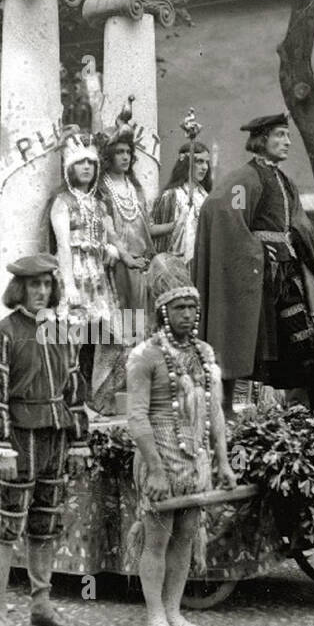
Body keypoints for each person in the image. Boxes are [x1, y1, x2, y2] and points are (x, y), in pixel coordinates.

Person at [0, 254, 90, 626]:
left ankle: (41, 605)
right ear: (19, 289)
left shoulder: (62, 330)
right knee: (7, 526)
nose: (41, 291)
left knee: (46, 523)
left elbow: (75, 390)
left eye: (46, 284)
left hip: (56, 437)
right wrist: (0, 447)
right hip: (19, 439)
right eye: (33, 285)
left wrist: (78, 442)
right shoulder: (4, 332)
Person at [193, 113, 314, 415]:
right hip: (258, 277)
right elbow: (222, 212)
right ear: (261, 140)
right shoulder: (246, 180)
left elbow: (299, 225)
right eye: (280, 135)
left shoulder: (284, 181)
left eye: (287, 135)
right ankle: (225, 409)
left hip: (287, 274)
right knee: (240, 339)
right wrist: (256, 248)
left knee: (305, 338)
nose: (287, 142)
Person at [126, 255, 237, 626]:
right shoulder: (145, 356)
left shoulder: (205, 355)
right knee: (157, 536)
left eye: (193, 307)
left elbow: (215, 413)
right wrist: (155, 468)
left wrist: (222, 461)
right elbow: (137, 418)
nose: (189, 314)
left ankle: (174, 610)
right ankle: (155, 613)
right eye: (180, 308)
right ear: (163, 311)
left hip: (196, 458)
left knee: (187, 533)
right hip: (160, 455)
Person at [46, 126, 121, 413]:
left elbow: (106, 237)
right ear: (70, 168)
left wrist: (110, 249)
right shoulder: (62, 202)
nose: (87, 167)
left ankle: (95, 395)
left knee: (104, 336)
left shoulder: (99, 203)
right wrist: (70, 285)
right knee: (73, 339)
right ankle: (71, 399)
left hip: (98, 277)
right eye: (81, 162)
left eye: (91, 162)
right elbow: (64, 246)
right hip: (74, 274)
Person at [98, 107, 153, 316]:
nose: (125, 157)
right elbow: (103, 228)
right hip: (114, 263)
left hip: (139, 263)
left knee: (139, 322)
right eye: (119, 152)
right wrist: (118, 252)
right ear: (109, 156)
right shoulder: (101, 188)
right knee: (118, 325)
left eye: (128, 152)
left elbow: (144, 228)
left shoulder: (135, 187)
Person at [149, 141, 211, 263]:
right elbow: (155, 236)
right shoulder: (172, 196)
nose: (205, 167)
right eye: (199, 161)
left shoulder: (205, 195)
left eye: (206, 162)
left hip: (202, 260)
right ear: (187, 164)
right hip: (177, 263)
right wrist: (178, 224)